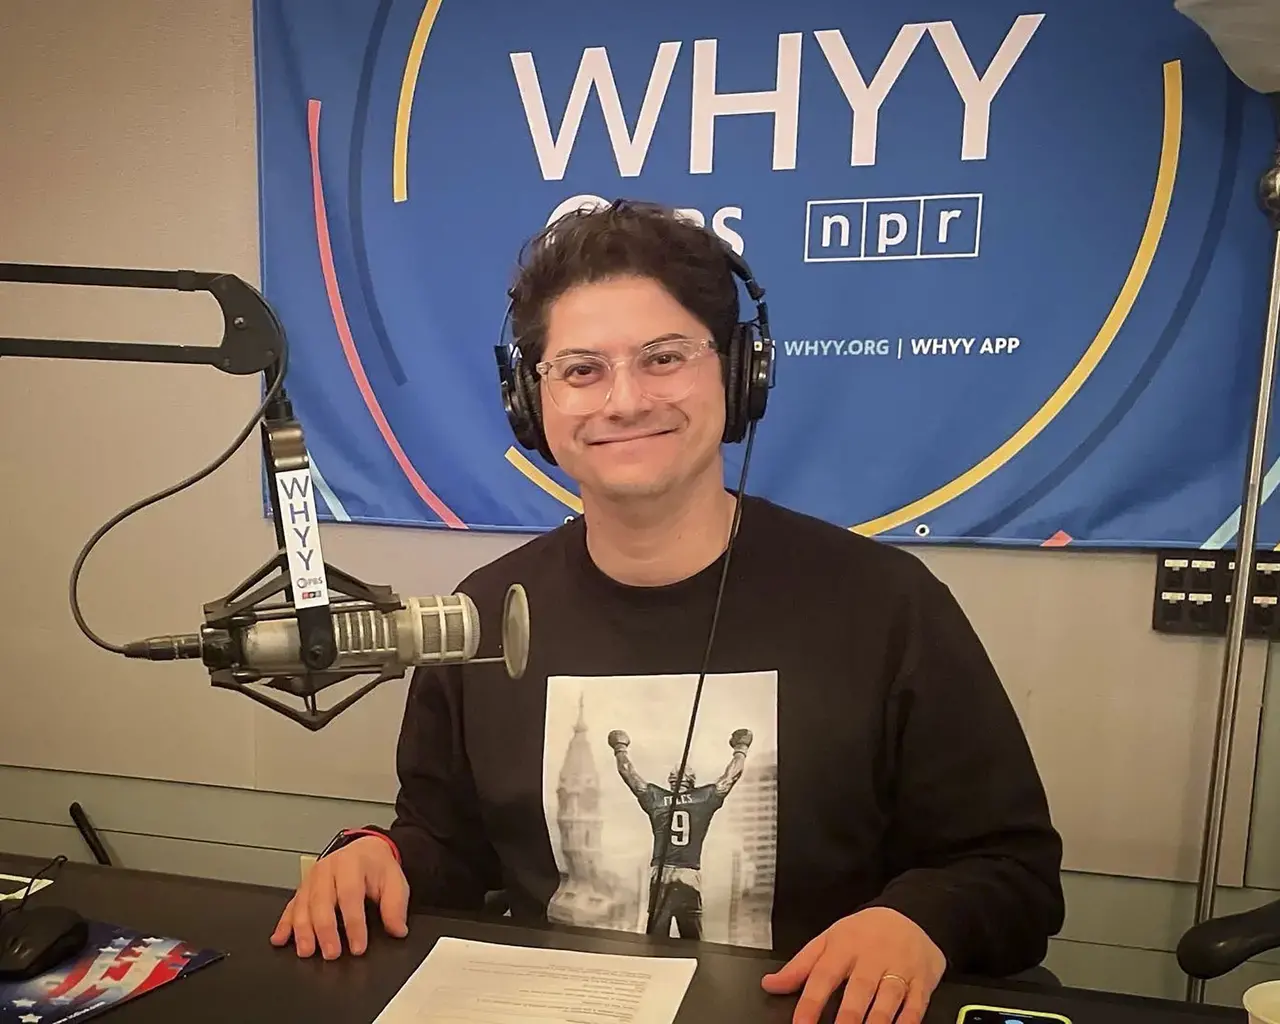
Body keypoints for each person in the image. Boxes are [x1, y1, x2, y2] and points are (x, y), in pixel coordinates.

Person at [271, 199, 1065, 1024]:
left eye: (663, 358)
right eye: (581, 370)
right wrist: (381, 856)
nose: (624, 400)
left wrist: (919, 923)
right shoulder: (482, 614)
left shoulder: (888, 605)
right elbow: (449, 845)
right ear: (528, 400)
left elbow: (1009, 869)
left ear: (736, 372)